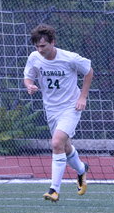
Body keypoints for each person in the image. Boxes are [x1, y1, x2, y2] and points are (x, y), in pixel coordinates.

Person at [24, 24, 93, 203]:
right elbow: (28, 77)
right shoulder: (34, 57)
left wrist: (83, 97)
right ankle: (81, 169)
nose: (40, 50)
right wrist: (29, 86)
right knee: (64, 146)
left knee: (56, 143)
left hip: (71, 107)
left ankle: (54, 189)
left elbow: (88, 72)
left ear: (52, 42)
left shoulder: (70, 58)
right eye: (37, 46)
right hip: (51, 109)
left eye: (43, 46)